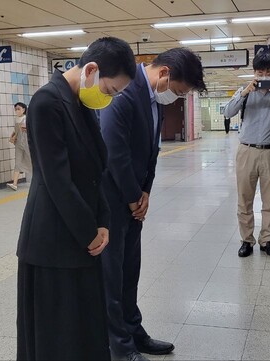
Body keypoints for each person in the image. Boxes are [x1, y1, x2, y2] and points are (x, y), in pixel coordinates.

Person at [16, 37, 136, 361]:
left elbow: (97, 172)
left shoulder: (83, 104)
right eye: (110, 90)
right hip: (52, 242)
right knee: (58, 337)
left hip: (83, 236)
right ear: (92, 70)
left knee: (84, 331)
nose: (109, 98)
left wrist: (104, 223)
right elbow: (57, 181)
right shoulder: (46, 102)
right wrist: (90, 232)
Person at [99, 48, 206, 361]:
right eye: (179, 91)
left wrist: (145, 192)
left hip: (133, 200)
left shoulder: (150, 97)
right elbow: (113, 151)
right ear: (164, 74)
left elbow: (151, 150)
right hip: (112, 200)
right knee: (112, 276)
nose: (176, 97)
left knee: (129, 271)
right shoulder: (124, 92)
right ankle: (119, 347)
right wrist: (134, 197)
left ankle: (134, 331)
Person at [223, 52, 270, 258]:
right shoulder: (245, 91)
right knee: (244, 199)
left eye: (268, 72)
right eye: (260, 72)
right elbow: (227, 113)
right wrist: (244, 93)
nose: (263, 76)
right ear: (254, 73)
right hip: (247, 151)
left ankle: (267, 240)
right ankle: (246, 240)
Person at [7, 102, 32, 191]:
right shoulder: (16, 119)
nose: (17, 111)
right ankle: (14, 184)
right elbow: (16, 130)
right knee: (17, 162)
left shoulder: (26, 118)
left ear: (23, 110)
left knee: (31, 160)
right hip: (18, 143)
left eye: (18, 109)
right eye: (16, 109)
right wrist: (13, 136)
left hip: (27, 143)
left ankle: (40, 180)